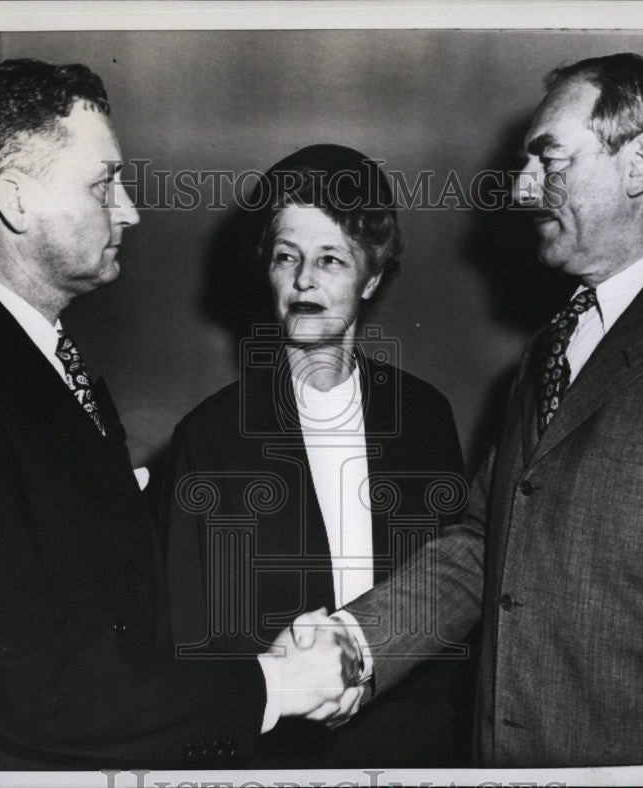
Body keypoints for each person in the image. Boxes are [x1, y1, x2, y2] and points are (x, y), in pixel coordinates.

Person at [300, 52, 643, 766]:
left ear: (637, 165)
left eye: (548, 159)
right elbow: (485, 543)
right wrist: (356, 642)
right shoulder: (550, 348)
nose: (521, 188)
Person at [0, 58, 354, 770]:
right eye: (103, 184)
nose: (129, 209)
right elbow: (41, 685)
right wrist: (277, 682)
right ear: (14, 201)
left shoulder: (25, 357)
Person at [161, 144, 471, 767]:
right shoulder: (210, 438)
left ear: (372, 277)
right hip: (273, 758)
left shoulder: (425, 418)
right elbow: (196, 647)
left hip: (414, 752)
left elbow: (453, 599)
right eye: (287, 257)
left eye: (331, 259)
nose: (304, 280)